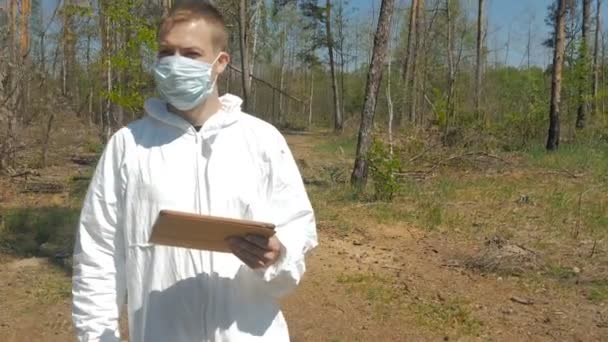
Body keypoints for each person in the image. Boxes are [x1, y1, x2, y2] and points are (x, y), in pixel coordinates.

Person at [71, 2, 318, 341]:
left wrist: (278, 254)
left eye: (190, 54)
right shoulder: (129, 145)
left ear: (220, 63)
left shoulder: (261, 140)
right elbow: (98, 254)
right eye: (165, 52)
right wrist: (98, 336)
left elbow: (298, 226)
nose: (175, 64)